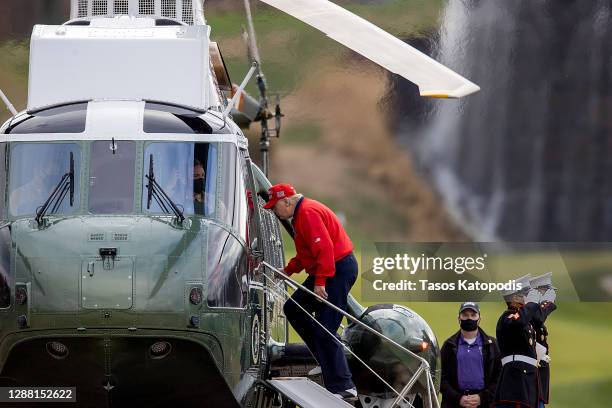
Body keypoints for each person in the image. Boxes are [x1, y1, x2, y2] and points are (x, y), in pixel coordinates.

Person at [264, 183, 358, 400]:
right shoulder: (299, 216)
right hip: (327, 270)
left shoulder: (307, 213)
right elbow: (306, 254)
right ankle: (324, 360)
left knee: (325, 328)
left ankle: (344, 386)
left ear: (287, 202)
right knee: (294, 308)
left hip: (337, 270)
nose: (275, 212)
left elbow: (324, 250)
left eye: (275, 206)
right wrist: (287, 270)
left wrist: (320, 283)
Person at [440, 302, 501, 408]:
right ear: (459, 318)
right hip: (455, 404)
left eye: (473, 315)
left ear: (479, 319)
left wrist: (482, 398)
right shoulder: (449, 345)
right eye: (465, 315)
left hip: (484, 403)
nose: (469, 318)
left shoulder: (492, 345)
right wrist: (458, 398)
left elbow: (500, 376)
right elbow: (441, 378)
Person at [494, 274, 541, 408]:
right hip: (516, 379)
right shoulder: (509, 317)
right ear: (515, 298)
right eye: (525, 293)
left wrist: (544, 303)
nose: (527, 297)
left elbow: (536, 318)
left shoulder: (523, 317)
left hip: (526, 377)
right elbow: (519, 321)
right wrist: (532, 303)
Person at [529, 273, 557, 408]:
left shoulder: (539, 321)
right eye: (546, 291)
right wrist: (547, 304)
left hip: (538, 380)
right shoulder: (526, 314)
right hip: (528, 381)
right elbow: (536, 319)